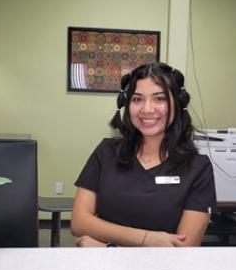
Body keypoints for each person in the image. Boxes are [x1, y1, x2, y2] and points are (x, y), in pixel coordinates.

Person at [71, 62, 216, 247]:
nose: (147, 109)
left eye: (159, 99)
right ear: (127, 104)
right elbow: (79, 222)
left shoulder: (198, 167)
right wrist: (147, 238)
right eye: (137, 99)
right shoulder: (106, 152)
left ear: (177, 104)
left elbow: (182, 248)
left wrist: (109, 248)